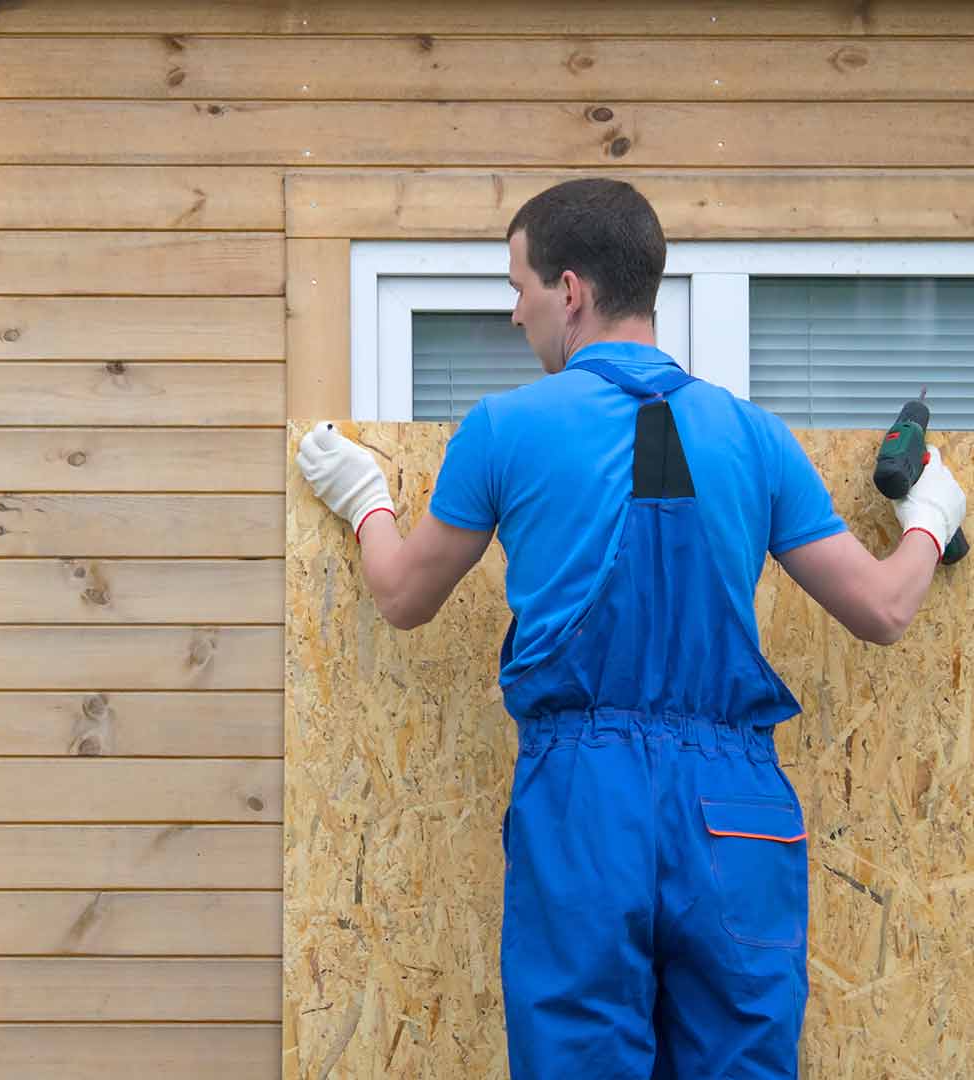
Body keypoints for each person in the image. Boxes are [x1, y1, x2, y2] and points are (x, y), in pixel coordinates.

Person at [296, 179, 967, 1079]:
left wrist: (367, 500)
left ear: (568, 290)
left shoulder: (505, 428)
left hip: (585, 800)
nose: (513, 314)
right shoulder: (757, 438)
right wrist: (929, 515)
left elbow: (403, 597)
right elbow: (885, 609)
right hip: (735, 810)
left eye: (518, 288)